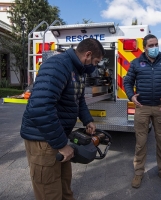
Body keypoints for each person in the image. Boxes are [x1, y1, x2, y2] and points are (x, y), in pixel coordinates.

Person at [20, 38, 105, 200]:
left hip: (58, 135)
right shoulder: (58, 66)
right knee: (49, 192)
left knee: (65, 186)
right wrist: (61, 144)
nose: (95, 66)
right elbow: (41, 107)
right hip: (43, 139)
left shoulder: (77, 71)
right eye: (96, 62)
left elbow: (78, 99)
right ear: (88, 55)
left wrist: (87, 119)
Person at [124, 34, 161, 188]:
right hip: (142, 108)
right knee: (140, 143)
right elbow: (127, 82)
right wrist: (131, 96)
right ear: (145, 47)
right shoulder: (136, 63)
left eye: (156, 44)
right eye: (151, 45)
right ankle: (138, 173)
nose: (154, 48)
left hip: (160, 108)